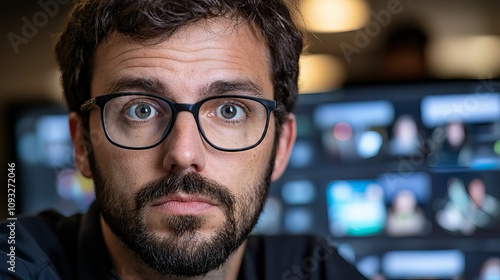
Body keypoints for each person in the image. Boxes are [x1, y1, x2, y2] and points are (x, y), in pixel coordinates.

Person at [0, 0, 367, 279]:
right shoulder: (19, 258)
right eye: (139, 110)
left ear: (282, 146)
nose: (183, 153)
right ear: (82, 145)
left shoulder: (314, 267)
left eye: (230, 111)